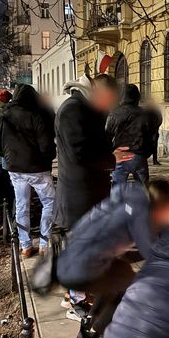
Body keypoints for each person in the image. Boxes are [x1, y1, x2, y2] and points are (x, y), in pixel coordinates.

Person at [56, 180, 169, 338]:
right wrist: (167, 226)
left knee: (117, 281)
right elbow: (156, 255)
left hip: (71, 254)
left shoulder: (131, 197)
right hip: (82, 264)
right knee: (127, 288)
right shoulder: (140, 215)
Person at [53, 73, 133, 232]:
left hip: (91, 193)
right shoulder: (73, 109)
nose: (109, 106)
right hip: (79, 197)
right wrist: (111, 159)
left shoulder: (87, 108)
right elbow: (78, 153)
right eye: (109, 100)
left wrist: (112, 152)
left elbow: (93, 143)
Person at [0, 84, 56, 257]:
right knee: (49, 202)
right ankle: (44, 243)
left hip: (15, 169)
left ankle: (25, 246)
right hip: (38, 169)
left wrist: (10, 156)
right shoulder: (36, 115)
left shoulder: (3, 116)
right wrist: (47, 157)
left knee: (21, 206)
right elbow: (46, 146)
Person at [106, 84, 152, 184]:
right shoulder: (144, 114)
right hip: (139, 155)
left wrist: (111, 154)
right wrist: (146, 153)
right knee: (143, 191)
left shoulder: (114, 114)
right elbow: (151, 135)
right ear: (137, 97)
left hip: (120, 156)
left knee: (117, 191)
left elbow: (107, 136)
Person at [143, 96, 163, 165]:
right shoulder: (144, 111)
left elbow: (160, 119)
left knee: (154, 145)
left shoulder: (156, 110)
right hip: (147, 132)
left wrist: (156, 126)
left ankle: (155, 160)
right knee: (146, 145)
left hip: (154, 131)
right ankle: (145, 159)